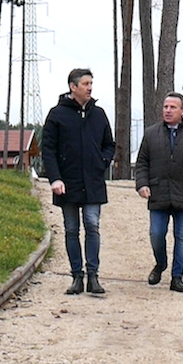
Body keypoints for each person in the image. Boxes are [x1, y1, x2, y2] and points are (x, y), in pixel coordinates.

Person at [41, 68, 116, 296]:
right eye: (85, 84)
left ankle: (93, 276)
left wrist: (102, 161)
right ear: (73, 87)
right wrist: (55, 178)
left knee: (92, 226)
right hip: (67, 182)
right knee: (71, 229)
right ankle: (76, 276)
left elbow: (109, 144)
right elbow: (48, 149)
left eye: (91, 83)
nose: (89, 88)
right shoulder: (57, 114)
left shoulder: (99, 114)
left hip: (93, 181)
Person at [136, 92, 183, 293]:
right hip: (158, 193)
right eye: (165, 107)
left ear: (182, 111)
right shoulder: (151, 134)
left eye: (173, 107)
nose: (168, 110)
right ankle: (160, 264)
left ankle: (177, 277)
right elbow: (142, 163)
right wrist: (142, 184)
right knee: (157, 234)